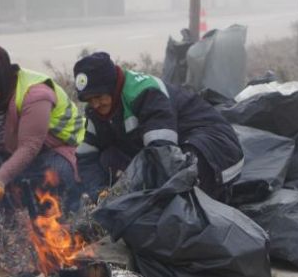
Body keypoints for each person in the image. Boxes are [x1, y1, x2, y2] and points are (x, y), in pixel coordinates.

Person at [72, 51, 244, 203]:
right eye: (89, 100)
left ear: (112, 86)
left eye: (99, 97)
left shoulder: (146, 93)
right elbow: (86, 157)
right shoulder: (97, 111)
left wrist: (123, 193)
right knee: (107, 158)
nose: (95, 104)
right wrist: (98, 193)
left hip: (214, 150)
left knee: (177, 178)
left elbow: (162, 153)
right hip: (172, 149)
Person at [0, 43, 85, 218]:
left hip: (58, 151)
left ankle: (62, 217)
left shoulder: (35, 93)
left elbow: (30, 146)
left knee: (56, 176)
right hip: (15, 153)